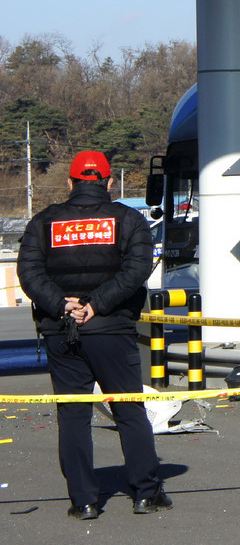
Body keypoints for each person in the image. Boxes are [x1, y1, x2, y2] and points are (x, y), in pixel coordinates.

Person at [17, 151, 172, 519]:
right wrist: (97, 305)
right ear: (109, 183)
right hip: (112, 329)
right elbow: (136, 272)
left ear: (70, 183)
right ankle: (146, 493)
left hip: (60, 331)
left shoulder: (44, 222)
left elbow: (29, 272)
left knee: (72, 416)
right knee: (129, 410)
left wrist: (63, 306)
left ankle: (84, 501)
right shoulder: (129, 220)